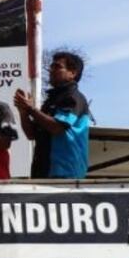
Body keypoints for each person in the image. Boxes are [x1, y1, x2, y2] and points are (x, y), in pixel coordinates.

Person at [13, 51, 90, 179]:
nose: (51, 70)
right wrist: (23, 112)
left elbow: (57, 128)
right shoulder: (50, 101)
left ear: (73, 73)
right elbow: (31, 134)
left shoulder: (73, 97)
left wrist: (31, 109)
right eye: (51, 67)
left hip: (66, 173)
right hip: (42, 171)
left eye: (57, 67)